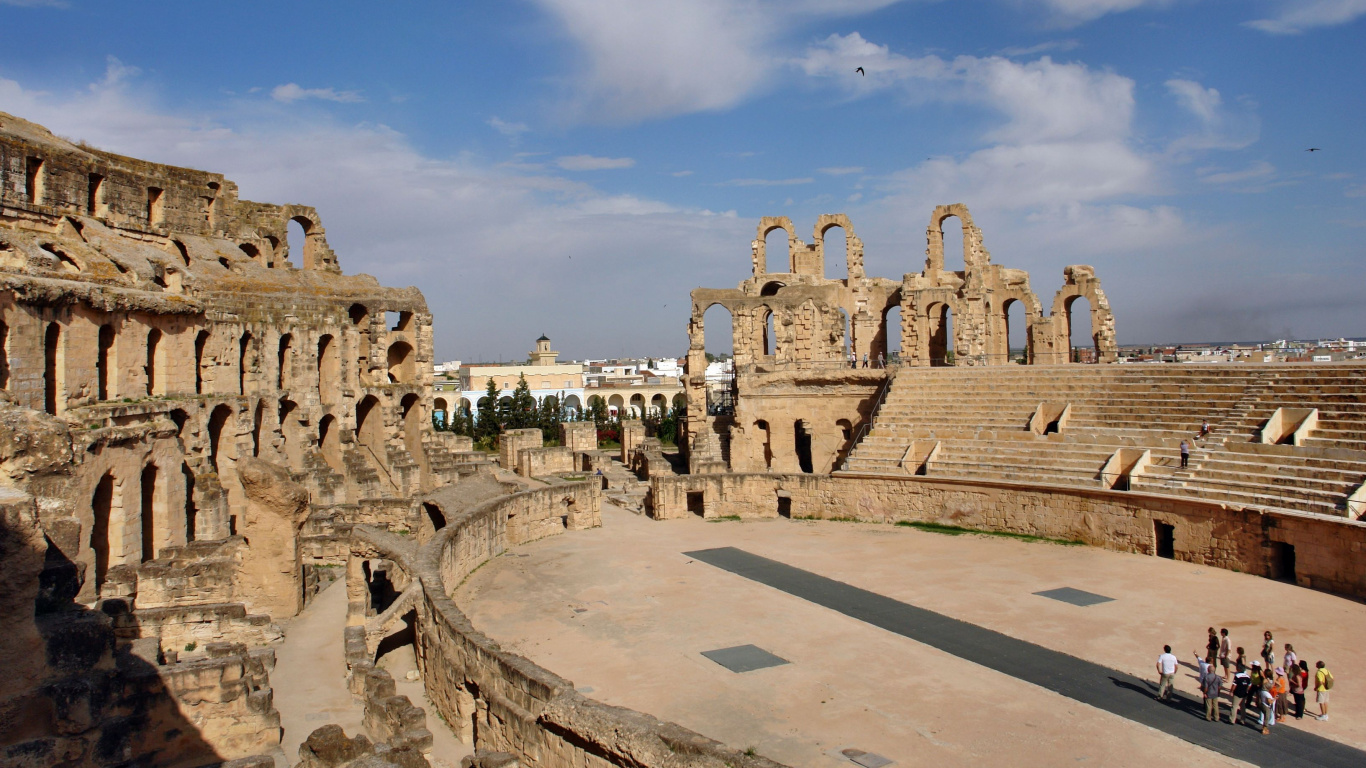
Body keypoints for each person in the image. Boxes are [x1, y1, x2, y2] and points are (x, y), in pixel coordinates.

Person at [1199, 654, 1223, 722]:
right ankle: (1216, 717)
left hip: (1209, 693)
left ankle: (1208, 717)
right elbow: (1220, 686)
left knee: (1209, 705)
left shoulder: (1206, 677)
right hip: (1215, 693)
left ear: (1208, 670)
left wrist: (1205, 693)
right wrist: (1218, 692)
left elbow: (1206, 687)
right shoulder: (1218, 677)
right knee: (1215, 706)